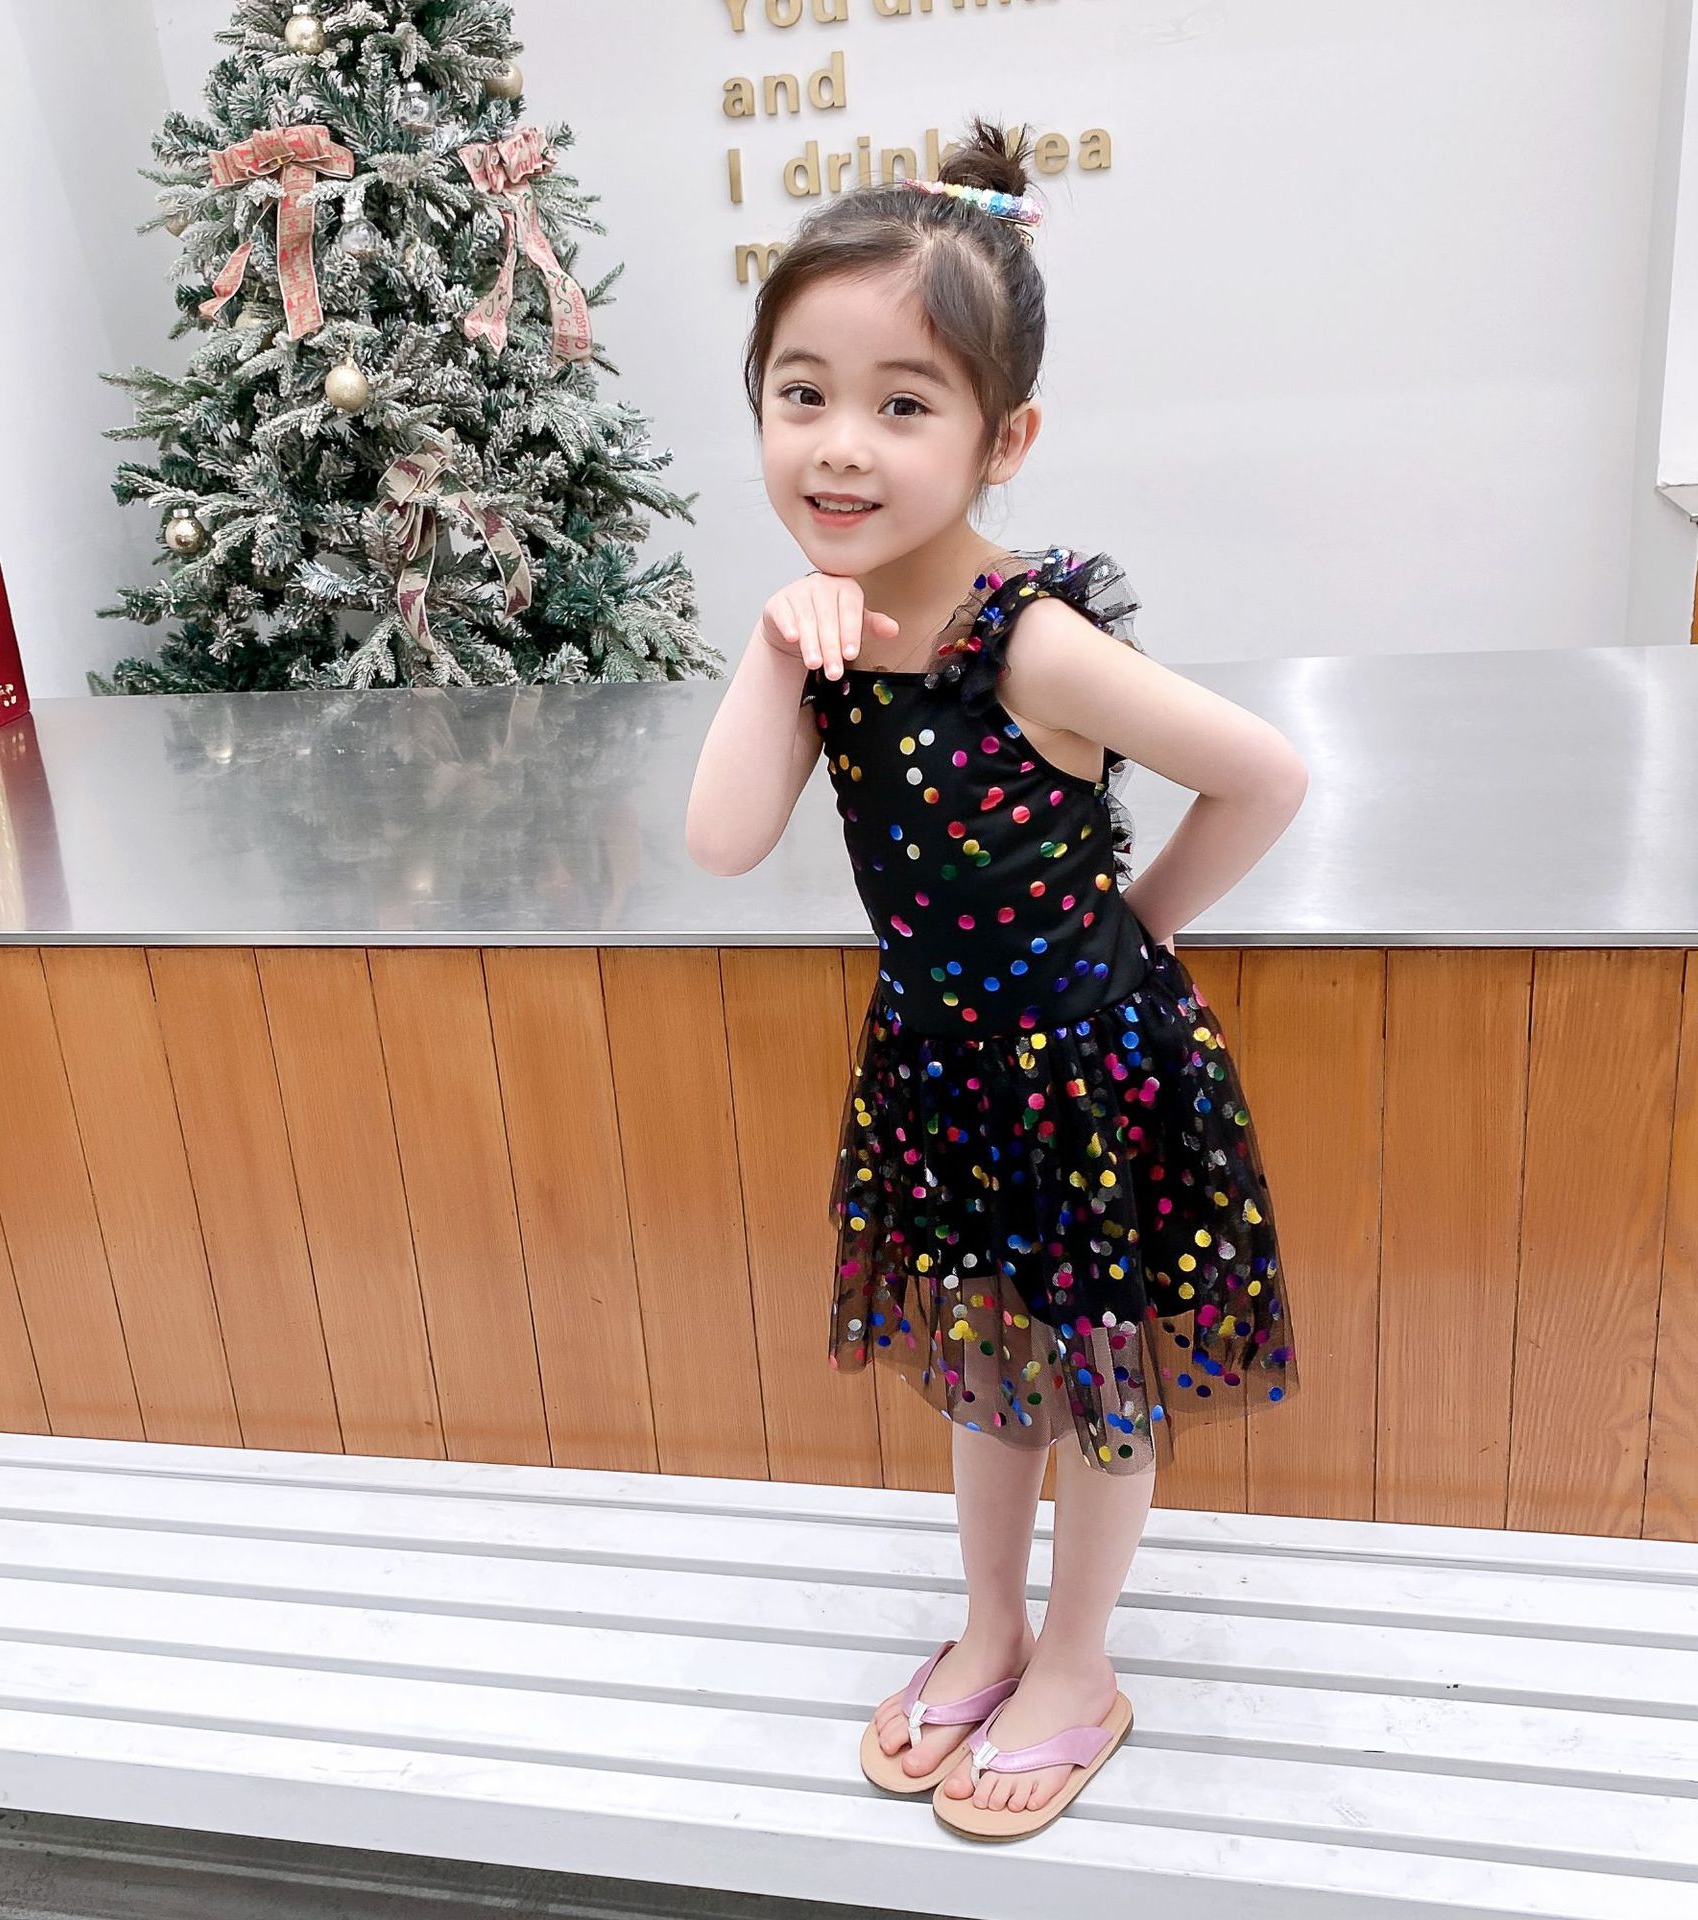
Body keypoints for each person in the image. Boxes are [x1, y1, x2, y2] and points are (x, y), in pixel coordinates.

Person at [685, 117, 1307, 1842]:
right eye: (802, 393)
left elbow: (1262, 774)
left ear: (1001, 437)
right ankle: (990, 1627)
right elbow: (723, 841)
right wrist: (771, 646)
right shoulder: (823, 641)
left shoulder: (1029, 641)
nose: (841, 442)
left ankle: (1081, 1665)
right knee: (985, 1361)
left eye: (904, 403)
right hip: (944, 1073)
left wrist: (1139, 936)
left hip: (1086, 1075)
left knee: (1096, 1376)